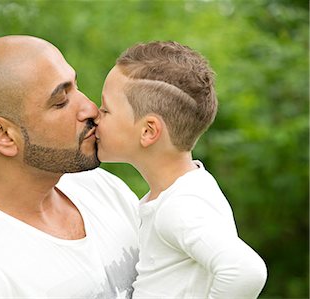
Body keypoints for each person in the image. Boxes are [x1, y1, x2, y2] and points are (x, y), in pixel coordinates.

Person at [0, 35, 140, 298]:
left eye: (77, 86)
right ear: (3, 135)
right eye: (61, 101)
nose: (90, 108)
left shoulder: (100, 187)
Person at [95, 41, 268, 298]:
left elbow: (246, 271)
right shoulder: (180, 193)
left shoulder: (179, 207)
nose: (95, 115)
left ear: (148, 131)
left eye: (106, 109)